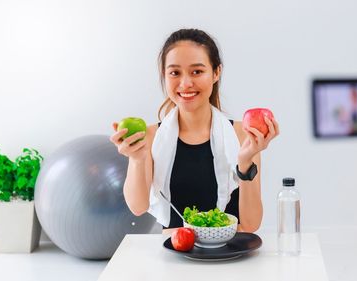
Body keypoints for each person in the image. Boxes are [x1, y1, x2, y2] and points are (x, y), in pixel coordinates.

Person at [109, 29, 279, 233]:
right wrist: (137, 160)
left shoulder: (243, 135)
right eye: (175, 73)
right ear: (164, 75)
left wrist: (245, 163)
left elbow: (251, 224)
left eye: (197, 71)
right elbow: (138, 207)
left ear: (216, 73)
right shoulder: (151, 136)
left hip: (228, 256)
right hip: (175, 255)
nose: (186, 83)